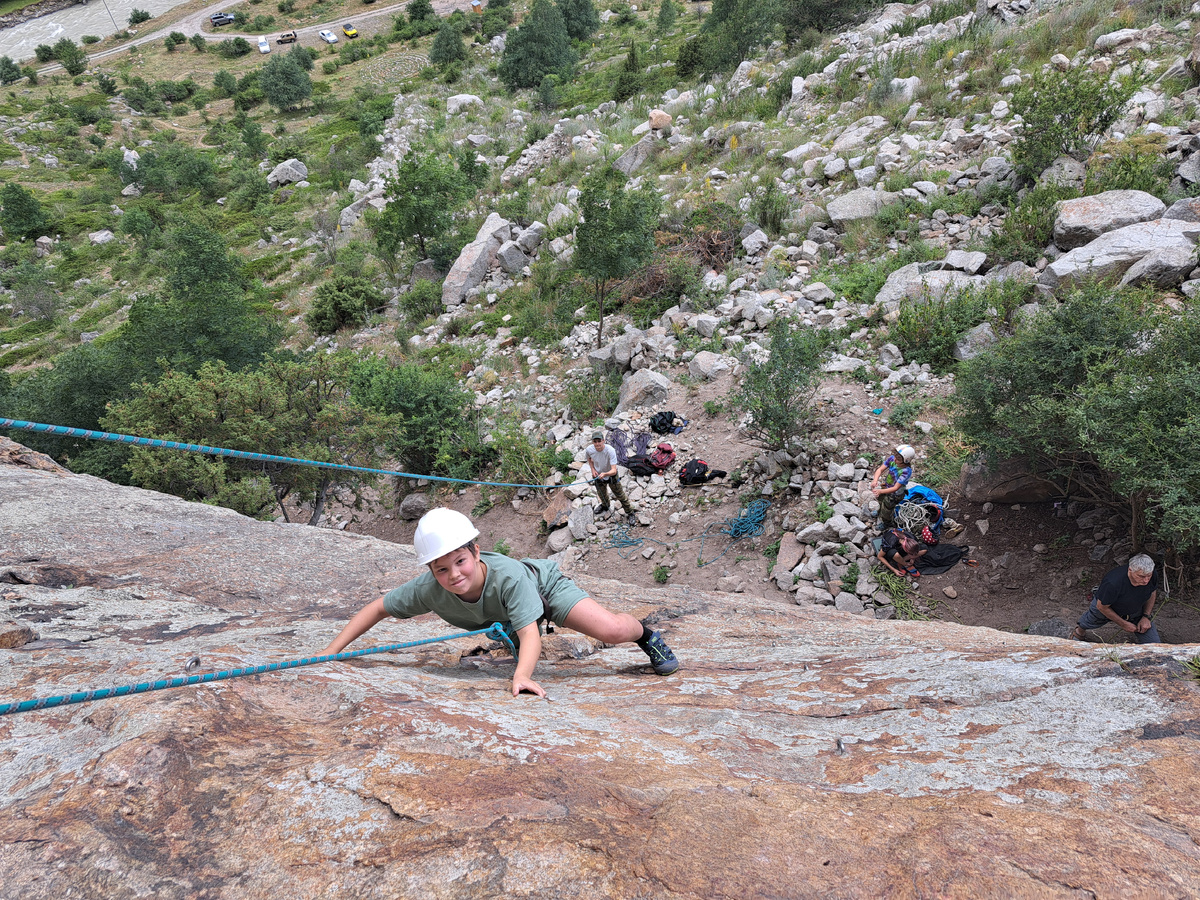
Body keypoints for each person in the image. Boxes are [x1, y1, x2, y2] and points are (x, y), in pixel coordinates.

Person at [320, 508, 680, 697]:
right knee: (511, 630)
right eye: (441, 569)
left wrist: (521, 676)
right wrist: (331, 652)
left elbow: (531, 632)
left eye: (461, 561)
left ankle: (646, 636)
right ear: (431, 569)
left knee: (612, 630)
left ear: (476, 551)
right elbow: (378, 608)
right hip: (508, 613)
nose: (454, 575)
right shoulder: (429, 588)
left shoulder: (507, 576)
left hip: (543, 590)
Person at [1073, 554, 1162, 643]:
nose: (1146, 580)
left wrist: (1146, 616)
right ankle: (1079, 631)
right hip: (1107, 606)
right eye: (1141, 576)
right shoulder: (1113, 583)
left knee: (1154, 643)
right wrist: (1124, 624)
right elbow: (1101, 606)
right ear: (1130, 570)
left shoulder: (1152, 575)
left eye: (1148, 576)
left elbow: (1152, 592)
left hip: (1135, 609)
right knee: (1090, 620)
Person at [586, 430, 638, 526]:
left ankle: (630, 513)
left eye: (599, 441)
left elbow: (614, 470)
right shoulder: (589, 450)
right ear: (592, 442)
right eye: (595, 441)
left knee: (620, 495)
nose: (597, 444)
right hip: (598, 475)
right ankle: (605, 506)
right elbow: (589, 459)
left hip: (611, 475)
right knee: (601, 493)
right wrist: (593, 469)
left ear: (603, 441)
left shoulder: (610, 451)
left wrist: (605, 474)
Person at [870, 444, 915, 526]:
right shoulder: (892, 459)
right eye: (895, 457)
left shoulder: (906, 471)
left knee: (888, 509)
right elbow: (880, 469)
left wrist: (880, 491)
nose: (894, 460)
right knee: (881, 500)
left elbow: (896, 488)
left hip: (895, 494)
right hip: (886, 486)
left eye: (898, 459)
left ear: (906, 460)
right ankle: (879, 511)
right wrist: (875, 480)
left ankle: (886, 523)